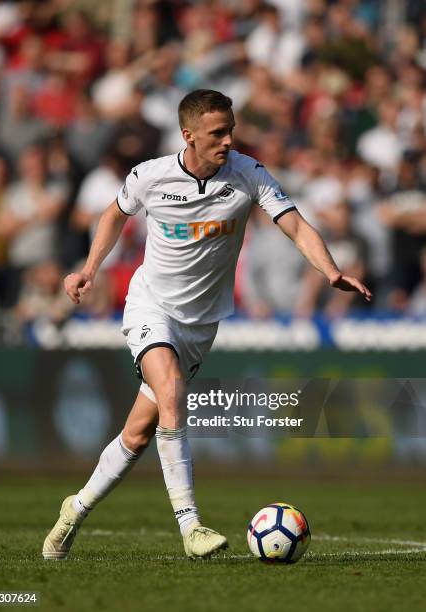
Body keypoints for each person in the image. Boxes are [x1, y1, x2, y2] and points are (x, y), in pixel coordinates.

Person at [42, 89, 371, 561]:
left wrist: (330, 270)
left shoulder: (248, 173)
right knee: (171, 391)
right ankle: (190, 525)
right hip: (151, 307)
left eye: (231, 129)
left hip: (200, 325)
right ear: (189, 135)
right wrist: (89, 269)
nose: (228, 140)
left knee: (137, 434)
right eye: (217, 133)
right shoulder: (150, 176)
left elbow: (296, 225)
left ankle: (74, 510)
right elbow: (113, 215)